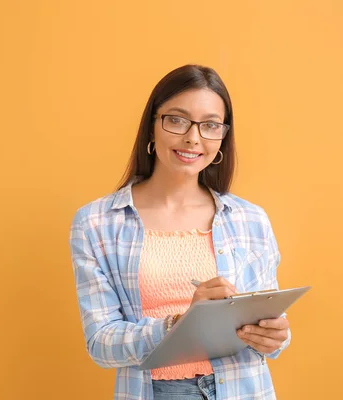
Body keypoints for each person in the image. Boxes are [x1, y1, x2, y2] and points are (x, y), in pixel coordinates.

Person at [69, 64, 290, 400]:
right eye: (177, 119)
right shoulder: (97, 223)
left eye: (210, 125)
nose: (193, 137)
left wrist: (276, 336)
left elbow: (271, 328)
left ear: (222, 137)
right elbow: (100, 343)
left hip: (244, 389)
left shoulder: (250, 219)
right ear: (152, 127)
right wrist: (178, 324)